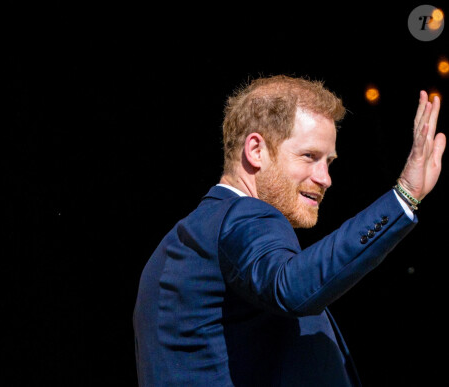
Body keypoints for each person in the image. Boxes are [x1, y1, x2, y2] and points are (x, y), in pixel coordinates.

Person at [132, 74, 446, 386]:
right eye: (309, 156)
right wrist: (403, 195)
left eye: (329, 162)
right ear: (256, 150)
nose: (326, 178)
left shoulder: (184, 241)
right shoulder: (243, 214)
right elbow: (290, 286)